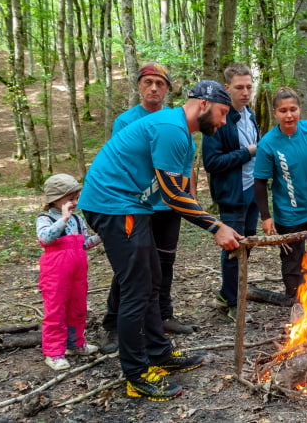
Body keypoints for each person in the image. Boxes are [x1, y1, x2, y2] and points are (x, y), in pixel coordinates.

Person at [78, 79, 243, 401]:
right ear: (204, 104)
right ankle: (136, 374)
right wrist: (215, 227)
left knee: (152, 281)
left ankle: (159, 353)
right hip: (112, 205)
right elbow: (171, 195)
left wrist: (212, 223)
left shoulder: (186, 138)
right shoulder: (170, 127)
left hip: (132, 206)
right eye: (223, 113)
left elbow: (179, 192)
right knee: (137, 288)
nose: (224, 122)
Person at [100, 63, 194, 356]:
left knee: (164, 262)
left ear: (167, 89)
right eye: (148, 82)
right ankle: (113, 323)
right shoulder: (126, 121)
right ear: (139, 86)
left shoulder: (177, 120)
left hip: (168, 204)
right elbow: (121, 163)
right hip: (136, 206)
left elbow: (185, 165)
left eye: (159, 83)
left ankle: (163, 315)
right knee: (131, 267)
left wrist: (189, 200)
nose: (153, 88)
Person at [253, 86, 307, 304]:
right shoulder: (268, 143)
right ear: (275, 113)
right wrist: (265, 216)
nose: (289, 115)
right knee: (292, 260)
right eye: (283, 111)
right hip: (288, 214)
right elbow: (260, 181)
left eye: (293, 109)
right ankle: (295, 300)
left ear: (300, 109)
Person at [202, 64, 259, 323]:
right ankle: (234, 303)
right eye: (239, 87)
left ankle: (227, 294)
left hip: (253, 191)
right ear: (227, 88)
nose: (245, 92)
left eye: (249, 86)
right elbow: (212, 162)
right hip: (231, 194)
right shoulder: (217, 119)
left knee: (246, 247)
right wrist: (246, 152)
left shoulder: (250, 114)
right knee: (233, 248)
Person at [37, 174, 101, 371]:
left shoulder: (77, 220)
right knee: (56, 310)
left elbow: (85, 243)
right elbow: (45, 238)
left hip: (77, 271)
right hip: (55, 273)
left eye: (76, 198)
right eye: (70, 199)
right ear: (55, 200)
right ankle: (54, 352)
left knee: (78, 307)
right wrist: (63, 219)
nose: (74, 203)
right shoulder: (45, 219)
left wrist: (102, 235)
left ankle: (75, 343)